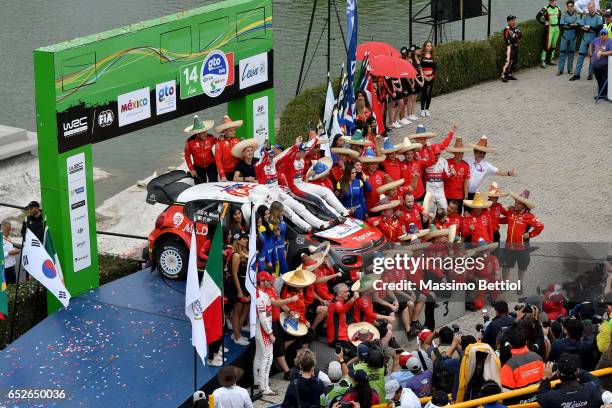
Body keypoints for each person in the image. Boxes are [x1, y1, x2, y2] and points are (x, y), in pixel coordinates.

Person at [276, 136, 349, 221]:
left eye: (305, 151)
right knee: (317, 199)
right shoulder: (290, 161)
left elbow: (309, 146)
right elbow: (285, 156)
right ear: (297, 151)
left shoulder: (301, 158)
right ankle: (337, 217)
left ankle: (343, 211)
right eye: (302, 151)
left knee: (326, 191)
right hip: (294, 188)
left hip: (302, 183)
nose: (305, 153)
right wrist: (295, 145)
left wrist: (317, 136)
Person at [500, 190, 544, 293]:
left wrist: (530, 234)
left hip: (522, 247)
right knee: (505, 266)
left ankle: (519, 285)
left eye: (519, 203)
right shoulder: (511, 212)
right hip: (509, 246)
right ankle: (505, 284)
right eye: (515, 202)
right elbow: (503, 219)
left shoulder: (529, 216)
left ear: (524, 205)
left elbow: (540, 226)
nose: (516, 204)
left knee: (522, 267)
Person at [537, 353, 604, 408]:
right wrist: (573, 368)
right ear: (577, 372)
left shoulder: (552, 397)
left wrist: (546, 377)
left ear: (557, 374)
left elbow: (541, 396)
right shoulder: (592, 388)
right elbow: (594, 379)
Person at [254, 272, 276, 396]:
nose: (271, 282)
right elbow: (263, 317)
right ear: (262, 281)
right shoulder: (260, 296)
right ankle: (264, 387)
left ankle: (257, 381)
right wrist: (270, 333)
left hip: (260, 329)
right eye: (268, 280)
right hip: (263, 330)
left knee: (259, 355)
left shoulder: (260, 293)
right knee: (267, 357)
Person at [228, 231, 251, 346]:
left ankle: (237, 332)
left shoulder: (246, 252)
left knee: (246, 309)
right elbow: (234, 274)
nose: (246, 240)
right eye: (244, 239)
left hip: (247, 284)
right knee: (237, 311)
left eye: (247, 238)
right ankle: (237, 336)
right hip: (239, 285)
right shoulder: (236, 255)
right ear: (238, 240)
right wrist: (239, 291)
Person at [570, 1, 603, 81]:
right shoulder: (585, 16)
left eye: (591, 8)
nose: (590, 9)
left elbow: (599, 27)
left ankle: (590, 74)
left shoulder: (598, 16)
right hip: (585, 38)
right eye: (588, 8)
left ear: (594, 7)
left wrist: (590, 27)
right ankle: (576, 74)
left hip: (593, 39)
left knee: (592, 56)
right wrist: (587, 28)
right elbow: (580, 25)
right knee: (580, 55)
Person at [183, 115, 217, 184]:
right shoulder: (189, 142)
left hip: (211, 165)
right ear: (197, 133)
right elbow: (187, 156)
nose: (206, 134)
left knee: (214, 184)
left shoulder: (211, 138)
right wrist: (191, 169)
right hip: (198, 167)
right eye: (203, 133)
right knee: (199, 186)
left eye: (206, 131)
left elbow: (220, 145)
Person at [327, 283, 360, 349]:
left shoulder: (339, 302)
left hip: (343, 336)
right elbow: (342, 309)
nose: (349, 293)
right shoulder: (335, 303)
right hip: (337, 340)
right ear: (339, 294)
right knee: (355, 354)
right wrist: (353, 298)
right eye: (346, 292)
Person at [444, 136, 471, 214]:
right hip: (447, 194)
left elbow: (466, 181)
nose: (460, 155)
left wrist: (465, 196)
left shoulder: (465, 165)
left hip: (459, 196)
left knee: (458, 215)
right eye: (458, 153)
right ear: (454, 153)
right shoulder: (447, 162)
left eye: (461, 153)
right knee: (446, 214)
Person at [213, 115, 242, 181]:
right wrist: (222, 175)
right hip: (225, 172)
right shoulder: (219, 142)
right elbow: (218, 160)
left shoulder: (236, 140)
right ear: (225, 131)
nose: (234, 132)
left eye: (234, 130)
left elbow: (240, 157)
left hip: (236, 170)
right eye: (231, 131)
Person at [537, 0, 562, 68]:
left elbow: (559, 18)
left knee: (554, 44)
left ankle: (551, 59)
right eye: (551, 1)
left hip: (556, 28)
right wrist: (544, 23)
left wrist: (559, 26)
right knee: (547, 45)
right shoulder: (545, 8)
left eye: (553, 1)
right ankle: (543, 60)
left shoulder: (558, 8)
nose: (552, 2)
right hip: (549, 28)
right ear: (549, 1)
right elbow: (538, 16)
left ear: (556, 1)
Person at [558, 1, 581, 75]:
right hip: (565, 36)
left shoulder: (576, 15)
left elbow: (578, 24)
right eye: (568, 6)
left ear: (573, 7)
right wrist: (572, 24)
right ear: (566, 7)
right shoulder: (563, 15)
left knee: (571, 53)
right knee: (562, 53)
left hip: (573, 36)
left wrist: (569, 25)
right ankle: (560, 70)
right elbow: (561, 25)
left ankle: (570, 69)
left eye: (571, 6)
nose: (570, 8)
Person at [589, 29, 612, 99]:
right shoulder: (596, 40)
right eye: (601, 34)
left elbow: (611, 51)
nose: (603, 36)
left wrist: (602, 53)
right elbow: (591, 44)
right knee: (598, 78)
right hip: (595, 64)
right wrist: (590, 52)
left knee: (604, 79)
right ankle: (602, 92)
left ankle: (603, 94)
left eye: (604, 34)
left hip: (604, 65)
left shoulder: (610, 41)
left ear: (607, 35)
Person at [268, 201, 289, 274]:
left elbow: (282, 236)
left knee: (285, 271)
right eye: (281, 211)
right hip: (275, 250)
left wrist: (284, 249)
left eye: (283, 210)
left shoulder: (281, 218)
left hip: (282, 249)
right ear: (276, 211)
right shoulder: (270, 222)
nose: (283, 213)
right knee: (278, 272)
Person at [502, 15, 522, 82]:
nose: (514, 21)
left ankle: (509, 74)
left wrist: (516, 36)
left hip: (516, 46)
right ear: (508, 21)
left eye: (514, 20)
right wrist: (516, 36)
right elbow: (511, 39)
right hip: (510, 47)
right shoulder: (507, 29)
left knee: (514, 60)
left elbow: (520, 35)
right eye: (512, 20)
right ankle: (504, 75)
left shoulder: (515, 27)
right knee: (508, 61)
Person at [420, 41, 436, 117]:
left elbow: (435, 68)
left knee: (429, 94)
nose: (429, 47)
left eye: (430, 46)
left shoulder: (433, 57)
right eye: (427, 46)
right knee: (423, 94)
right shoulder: (422, 57)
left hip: (431, 78)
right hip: (424, 78)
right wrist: (424, 76)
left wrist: (431, 76)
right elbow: (420, 68)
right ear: (425, 47)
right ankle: (422, 110)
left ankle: (427, 109)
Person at [2, 220, 19, 284]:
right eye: (7, 230)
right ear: (2, 229)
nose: (9, 232)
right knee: (5, 288)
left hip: (12, 267)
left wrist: (15, 251)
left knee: (13, 287)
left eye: (10, 230)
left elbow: (9, 248)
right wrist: (9, 253)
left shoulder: (8, 237)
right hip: (5, 269)